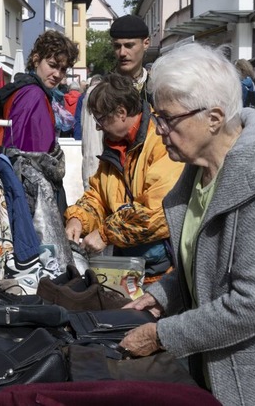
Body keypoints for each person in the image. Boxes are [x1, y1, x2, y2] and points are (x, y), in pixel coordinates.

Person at [119, 43, 255, 405]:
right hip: (214, 369)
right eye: (156, 115)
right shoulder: (196, 173)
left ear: (213, 117)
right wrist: (164, 295)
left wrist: (161, 335)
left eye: (168, 118)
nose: (158, 129)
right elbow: (204, 262)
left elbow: (252, 304)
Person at [64, 73, 184, 283]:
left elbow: (158, 211)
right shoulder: (115, 145)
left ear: (121, 112)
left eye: (101, 119)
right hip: (128, 269)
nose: (98, 127)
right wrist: (78, 218)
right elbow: (97, 195)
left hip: (165, 275)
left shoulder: (161, 141)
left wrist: (105, 234)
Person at [0, 29, 79, 152]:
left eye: (63, 69)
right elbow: (30, 149)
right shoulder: (34, 94)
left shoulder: (24, 89)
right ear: (36, 60)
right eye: (52, 65)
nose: (58, 74)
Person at [109, 14, 152, 104]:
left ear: (146, 44)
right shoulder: (100, 91)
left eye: (129, 45)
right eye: (117, 46)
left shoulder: (158, 89)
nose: (122, 53)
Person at [75, 74, 104, 190]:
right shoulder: (102, 95)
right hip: (100, 146)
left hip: (88, 145)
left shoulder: (84, 97)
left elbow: (79, 121)